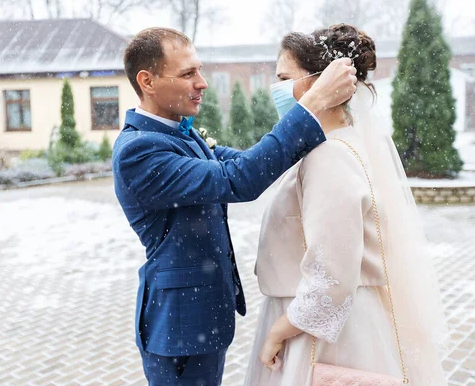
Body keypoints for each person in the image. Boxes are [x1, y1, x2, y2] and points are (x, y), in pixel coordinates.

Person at [112, 27, 357, 386]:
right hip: (179, 328)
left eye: (198, 69)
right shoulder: (139, 151)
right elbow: (237, 180)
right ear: (147, 81)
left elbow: (244, 163)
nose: (202, 83)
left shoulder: (176, 131)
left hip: (199, 320)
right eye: (187, 74)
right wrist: (311, 104)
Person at [244, 24, 448, 386]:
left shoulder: (329, 155)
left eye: (283, 78)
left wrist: (280, 330)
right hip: (325, 321)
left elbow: (332, 274)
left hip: (322, 335)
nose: (275, 90)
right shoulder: (336, 145)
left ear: (315, 83)